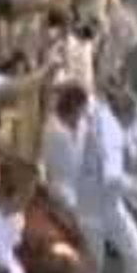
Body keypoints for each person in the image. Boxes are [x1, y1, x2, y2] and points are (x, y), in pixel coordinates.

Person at [76, 74, 137, 273]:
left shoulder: (98, 113)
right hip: (93, 212)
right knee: (95, 268)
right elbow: (112, 176)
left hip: (105, 205)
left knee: (131, 257)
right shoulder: (111, 133)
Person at [40, 81, 90, 223]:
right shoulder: (53, 131)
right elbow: (47, 165)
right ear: (74, 107)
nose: (84, 113)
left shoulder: (82, 125)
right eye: (82, 109)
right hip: (62, 190)